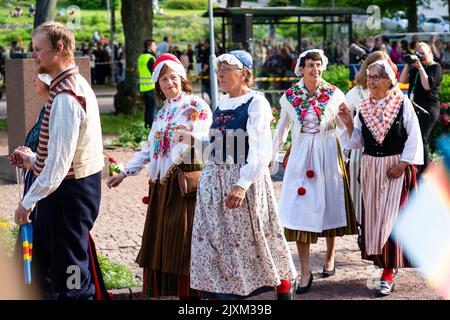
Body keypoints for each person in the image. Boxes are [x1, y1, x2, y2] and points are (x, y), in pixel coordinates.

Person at [188, 50, 297, 300]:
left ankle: (280, 286)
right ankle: (222, 291)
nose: (220, 74)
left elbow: (260, 150)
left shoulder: (256, 103)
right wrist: (191, 139)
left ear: (244, 73)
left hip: (241, 180)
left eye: (226, 69)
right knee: (215, 240)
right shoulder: (223, 102)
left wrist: (242, 184)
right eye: (219, 70)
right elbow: (218, 144)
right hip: (214, 181)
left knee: (253, 239)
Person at [106, 53, 212, 299]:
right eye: (163, 79)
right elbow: (148, 149)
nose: (169, 83)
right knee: (163, 243)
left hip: (184, 182)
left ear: (182, 78)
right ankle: (170, 293)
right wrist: (124, 173)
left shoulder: (196, 106)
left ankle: (193, 297)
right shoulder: (161, 114)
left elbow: (208, 144)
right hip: (160, 186)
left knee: (183, 241)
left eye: (173, 77)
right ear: (158, 85)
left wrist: (188, 135)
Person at [12, 22, 105, 300]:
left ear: (60, 49)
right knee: (58, 268)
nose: (34, 55)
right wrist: (32, 158)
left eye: (38, 49)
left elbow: (58, 166)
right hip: (70, 191)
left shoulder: (66, 95)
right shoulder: (70, 86)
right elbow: (57, 155)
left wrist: (26, 202)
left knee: (71, 275)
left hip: (69, 193)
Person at [271, 49, 358, 294]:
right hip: (301, 156)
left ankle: (330, 257)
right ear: (301, 68)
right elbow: (282, 130)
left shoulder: (334, 93)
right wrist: (268, 157)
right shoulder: (290, 96)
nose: (315, 69)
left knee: (330, 205)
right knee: (300, 210)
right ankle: (305, 270)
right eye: (310, 65)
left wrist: (349, 127)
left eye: (318, 65)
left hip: (328, 153)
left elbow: (345, 127)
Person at [339, 59, 423, 296]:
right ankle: (383, 266)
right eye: (369, 76)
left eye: (376, 77)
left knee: (392, 220)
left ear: (389, 80)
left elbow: (414, 137)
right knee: (375, 218)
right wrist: (347, 122)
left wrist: (403, 164)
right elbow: (357, 141)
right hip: (371, 167)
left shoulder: (402, 103)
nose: (371, 81)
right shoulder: (364, 107)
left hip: (395, 166)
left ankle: (388, 272)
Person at [346, 51, 392, 227]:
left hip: (387, 150)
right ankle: (362, 227)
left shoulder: (392, 92)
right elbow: (344, 123)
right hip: (362, 148)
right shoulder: (357, 93)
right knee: (359, 191)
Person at [399, 42, 442, 174]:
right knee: (413, 136)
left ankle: (424, 171)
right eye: (418, 53)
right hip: (414, 107)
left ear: (430, 52)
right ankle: (416, 167)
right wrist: (408, 63)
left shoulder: (435, 67)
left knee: (422, 137)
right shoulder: (415, 68)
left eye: (423, 53)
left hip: (428, 108)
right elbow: (402, 80)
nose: (421, 56)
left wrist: (421, 68)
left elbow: (427, 86)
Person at [138, 39, 157, 128]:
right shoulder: (150, 58)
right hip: (150, 86)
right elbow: (154, 72)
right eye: (154, 45)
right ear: (149, 47)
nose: (155, 47)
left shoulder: (141, 57)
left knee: (147, 106)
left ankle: (146, 123)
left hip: (143, 86)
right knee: (151, 107)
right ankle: (151, 124)